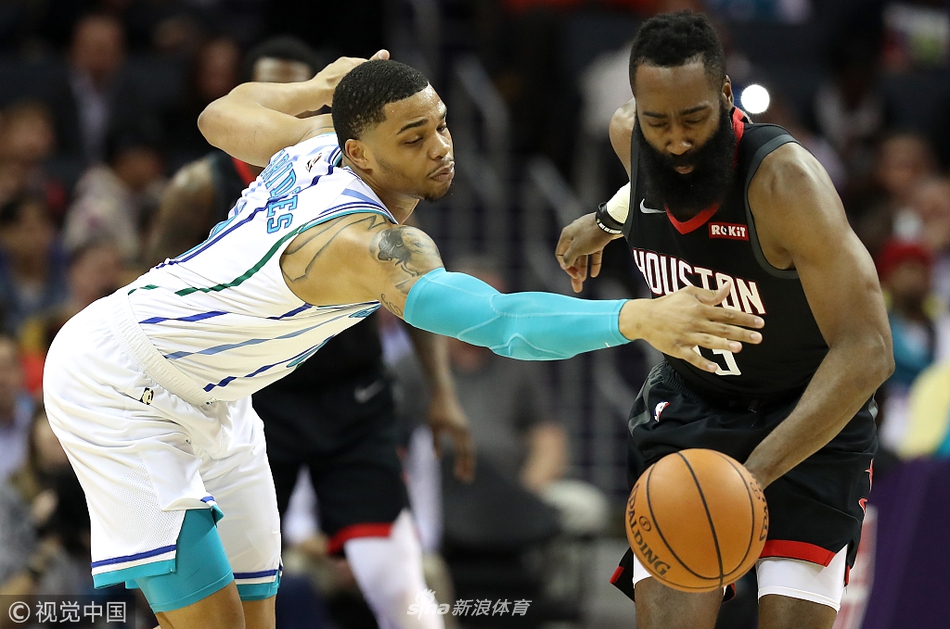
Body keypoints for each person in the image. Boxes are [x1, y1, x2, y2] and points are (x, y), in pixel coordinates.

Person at [43, 51, 764, 629]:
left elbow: (218, 115)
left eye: (441, 125)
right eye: (414, 139)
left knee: (256, 617)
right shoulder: (365, 244)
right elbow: (500, 322)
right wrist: (637, 318)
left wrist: (318, 90)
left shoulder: (313, 143)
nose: (441, 148)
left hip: (218, 397)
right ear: (360, 153)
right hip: (121, 383)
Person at [555, 11, 893, 629]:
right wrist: (604, 221)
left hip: (807, 420)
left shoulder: (785, 183)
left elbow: (869, 348)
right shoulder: (631, 134)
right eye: (659, 122)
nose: (677, 140)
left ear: (726, 95)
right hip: (693, 406)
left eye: (694, 119)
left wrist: (748, 478)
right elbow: (650, 179)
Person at [144, 36, 474, 629]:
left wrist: (442, 391)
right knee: (234, 587)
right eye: (282, 93)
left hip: (352, 392)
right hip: (256, 397)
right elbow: (155, 285)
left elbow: (419, 292)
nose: (296, 107)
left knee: (399, 582)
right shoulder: (204, 183)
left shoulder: (357, 167)